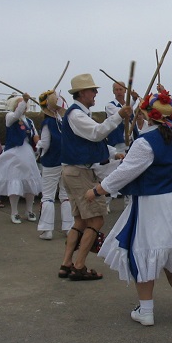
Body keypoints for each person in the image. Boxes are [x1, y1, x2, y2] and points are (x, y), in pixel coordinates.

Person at [88, 90, 172, 325]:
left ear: (146, 114)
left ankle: (146, 311)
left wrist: (96, 190)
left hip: (154, 201)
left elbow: (124, 173)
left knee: (144, 249)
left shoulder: (145, 142)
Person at [58, 73, 132, 282]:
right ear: (82, 93)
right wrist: (118, 115)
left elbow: (92, 140)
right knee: (96, 218)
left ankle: (66, 264)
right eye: (92, 90)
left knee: (80, 220)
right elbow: (97, 133)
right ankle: (79, 265)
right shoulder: (76, 115)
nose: (96, 93)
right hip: (80, 173)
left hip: (74, 171)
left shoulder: (79, 115)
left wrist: (111, 153)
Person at [0, 94, 42, 224]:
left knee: (30, 182)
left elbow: (35, 136)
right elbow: (17, 114)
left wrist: (41, 146)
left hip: (28, 154)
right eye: (20, 104)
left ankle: (29, 210)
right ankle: (14, 212)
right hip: (14, 154)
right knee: (15, 182)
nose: (23, 106)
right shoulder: (10, 117)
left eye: (24, 104)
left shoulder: (29, 121)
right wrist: (24, 100)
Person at [36, 90, 73, 240]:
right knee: (65, 195)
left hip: (51, 162)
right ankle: (68, 227)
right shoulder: (63, 121)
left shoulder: (48, 122)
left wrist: (37, 147)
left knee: (48, 196)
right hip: (64, 160)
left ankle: (47, 229)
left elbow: (44, 143)